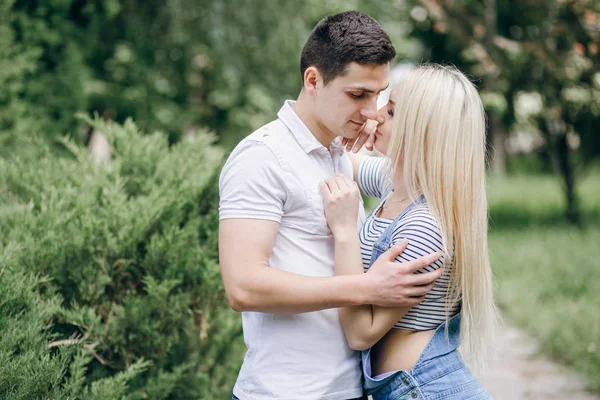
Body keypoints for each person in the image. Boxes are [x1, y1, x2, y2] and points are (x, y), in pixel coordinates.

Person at [218, 11, 443, 400]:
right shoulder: (262, 157)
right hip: (284, 393)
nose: (371, 111)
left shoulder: (339, 151)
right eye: (358, 95)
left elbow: (419, 179)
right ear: (313, 80)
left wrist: (396, 137)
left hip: (349, 390)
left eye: (379, 95)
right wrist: (365, 287)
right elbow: (243, 287)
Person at [321, 64, 497, 399]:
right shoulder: (399, 184)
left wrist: (344, 231)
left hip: (426, 390)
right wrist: (343, 130)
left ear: (421, 130)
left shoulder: (422, 227)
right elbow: (345, 160)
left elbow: (361, 334)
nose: (376, 118)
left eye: (391, 111)